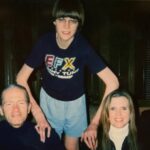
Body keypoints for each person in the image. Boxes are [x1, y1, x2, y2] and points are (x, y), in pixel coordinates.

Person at [16, 0, 119, 149]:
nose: (66, 26)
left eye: (73, 21)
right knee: (49, 144)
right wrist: (38, 113)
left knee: (72, 146)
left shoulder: (83, 47)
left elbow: (113, 82)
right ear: (54, 21)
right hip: (49, 101)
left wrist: (95, 123)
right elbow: (20, 78)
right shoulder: (45, 43)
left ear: (78, 25)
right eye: (62, 19)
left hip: (76, 103)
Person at [0, 84, 65, 150]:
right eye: (9, 104)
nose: (16, 109)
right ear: (1, 110)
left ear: (29, 108)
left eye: (21, 103)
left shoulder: (47, 134)